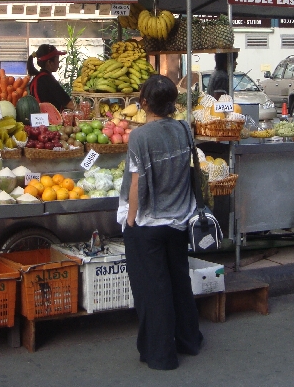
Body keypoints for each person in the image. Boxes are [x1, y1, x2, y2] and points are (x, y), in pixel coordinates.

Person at [119, 74, 203, 370]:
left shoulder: (140, 136)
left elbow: (137, 183)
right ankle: (189, 340)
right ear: (173, 103)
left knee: (153, 290)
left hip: (150, 223)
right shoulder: (184, 128)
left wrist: (130, 220)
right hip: (180, 219)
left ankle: (161, 354)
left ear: (143, 103)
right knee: (179, 281)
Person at [27, 44, 74, 111]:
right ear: (49, 63)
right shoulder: (49, 80)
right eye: (57, 59)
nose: (59, 62)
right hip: (50, 119)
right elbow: (70, 104)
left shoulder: (35, 79)